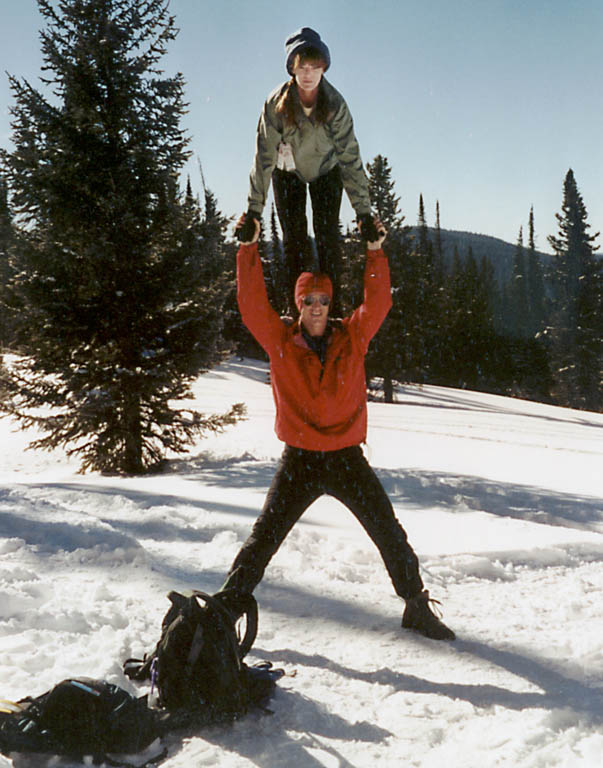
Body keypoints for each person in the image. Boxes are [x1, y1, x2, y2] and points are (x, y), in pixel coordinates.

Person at [220, 214, 455, 642]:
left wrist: (375, 252)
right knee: (263, 539)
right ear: (298, 305)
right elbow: (252, 305)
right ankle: (225, 613)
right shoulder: (280, 341)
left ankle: (416, 605)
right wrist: (247, 250)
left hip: (347, 458)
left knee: (387, 529)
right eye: (308, 301)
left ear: (331, 305)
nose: (316, 308)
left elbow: (378, 302)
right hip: (301, 461)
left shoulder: (353, 336)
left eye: (323, 301)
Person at [238, 27, 377, 315]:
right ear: (293, 68)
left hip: (326, 171)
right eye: (302, 66)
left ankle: (333, 311)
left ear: (324, 68)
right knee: (295, 241)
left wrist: (364, 213)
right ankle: (296, 309)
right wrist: (253, 212)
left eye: (315, 67)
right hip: (288, 173)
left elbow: (350, 157)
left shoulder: (335, 104)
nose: (309, 74)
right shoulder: (276, 105)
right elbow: (264, 157)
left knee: (327, 237)